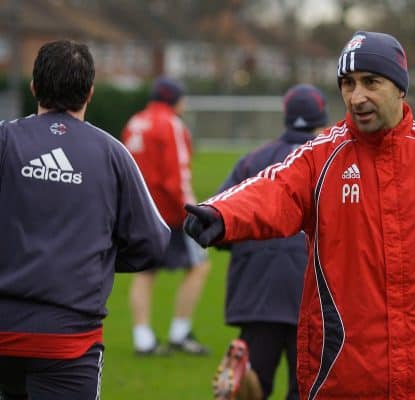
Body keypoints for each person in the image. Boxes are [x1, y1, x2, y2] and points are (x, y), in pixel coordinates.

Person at [185, 31, 415, 400]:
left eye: (371, 82)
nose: (357, 97)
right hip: (341, 379)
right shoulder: (321, 158)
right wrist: (223, 213)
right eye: (347, 84)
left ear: (400, 87)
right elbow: (275, 189)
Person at [0, 40, 170, 399]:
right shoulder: (112, 154)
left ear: (34, 87)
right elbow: (154, 242)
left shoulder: (4, 139)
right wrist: (97, 259)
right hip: (68, 340)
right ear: (90, 92)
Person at [212, 84, 329, 400]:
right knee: (307, 389)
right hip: (313, 296)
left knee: (252, 387)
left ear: (286, 115)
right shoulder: (333, 163)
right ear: (323, 116)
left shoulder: (253, 161)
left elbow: (218, 220)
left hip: (257, 293)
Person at [121, 77, 211, 356]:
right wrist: (194, 211)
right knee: (200, 266)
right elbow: (177, 174)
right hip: (170, 213)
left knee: (145, 273)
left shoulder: (135, 121)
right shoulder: (170, 124)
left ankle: (143, 337)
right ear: (175, 99)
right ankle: (180, 332)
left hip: (140, 211)